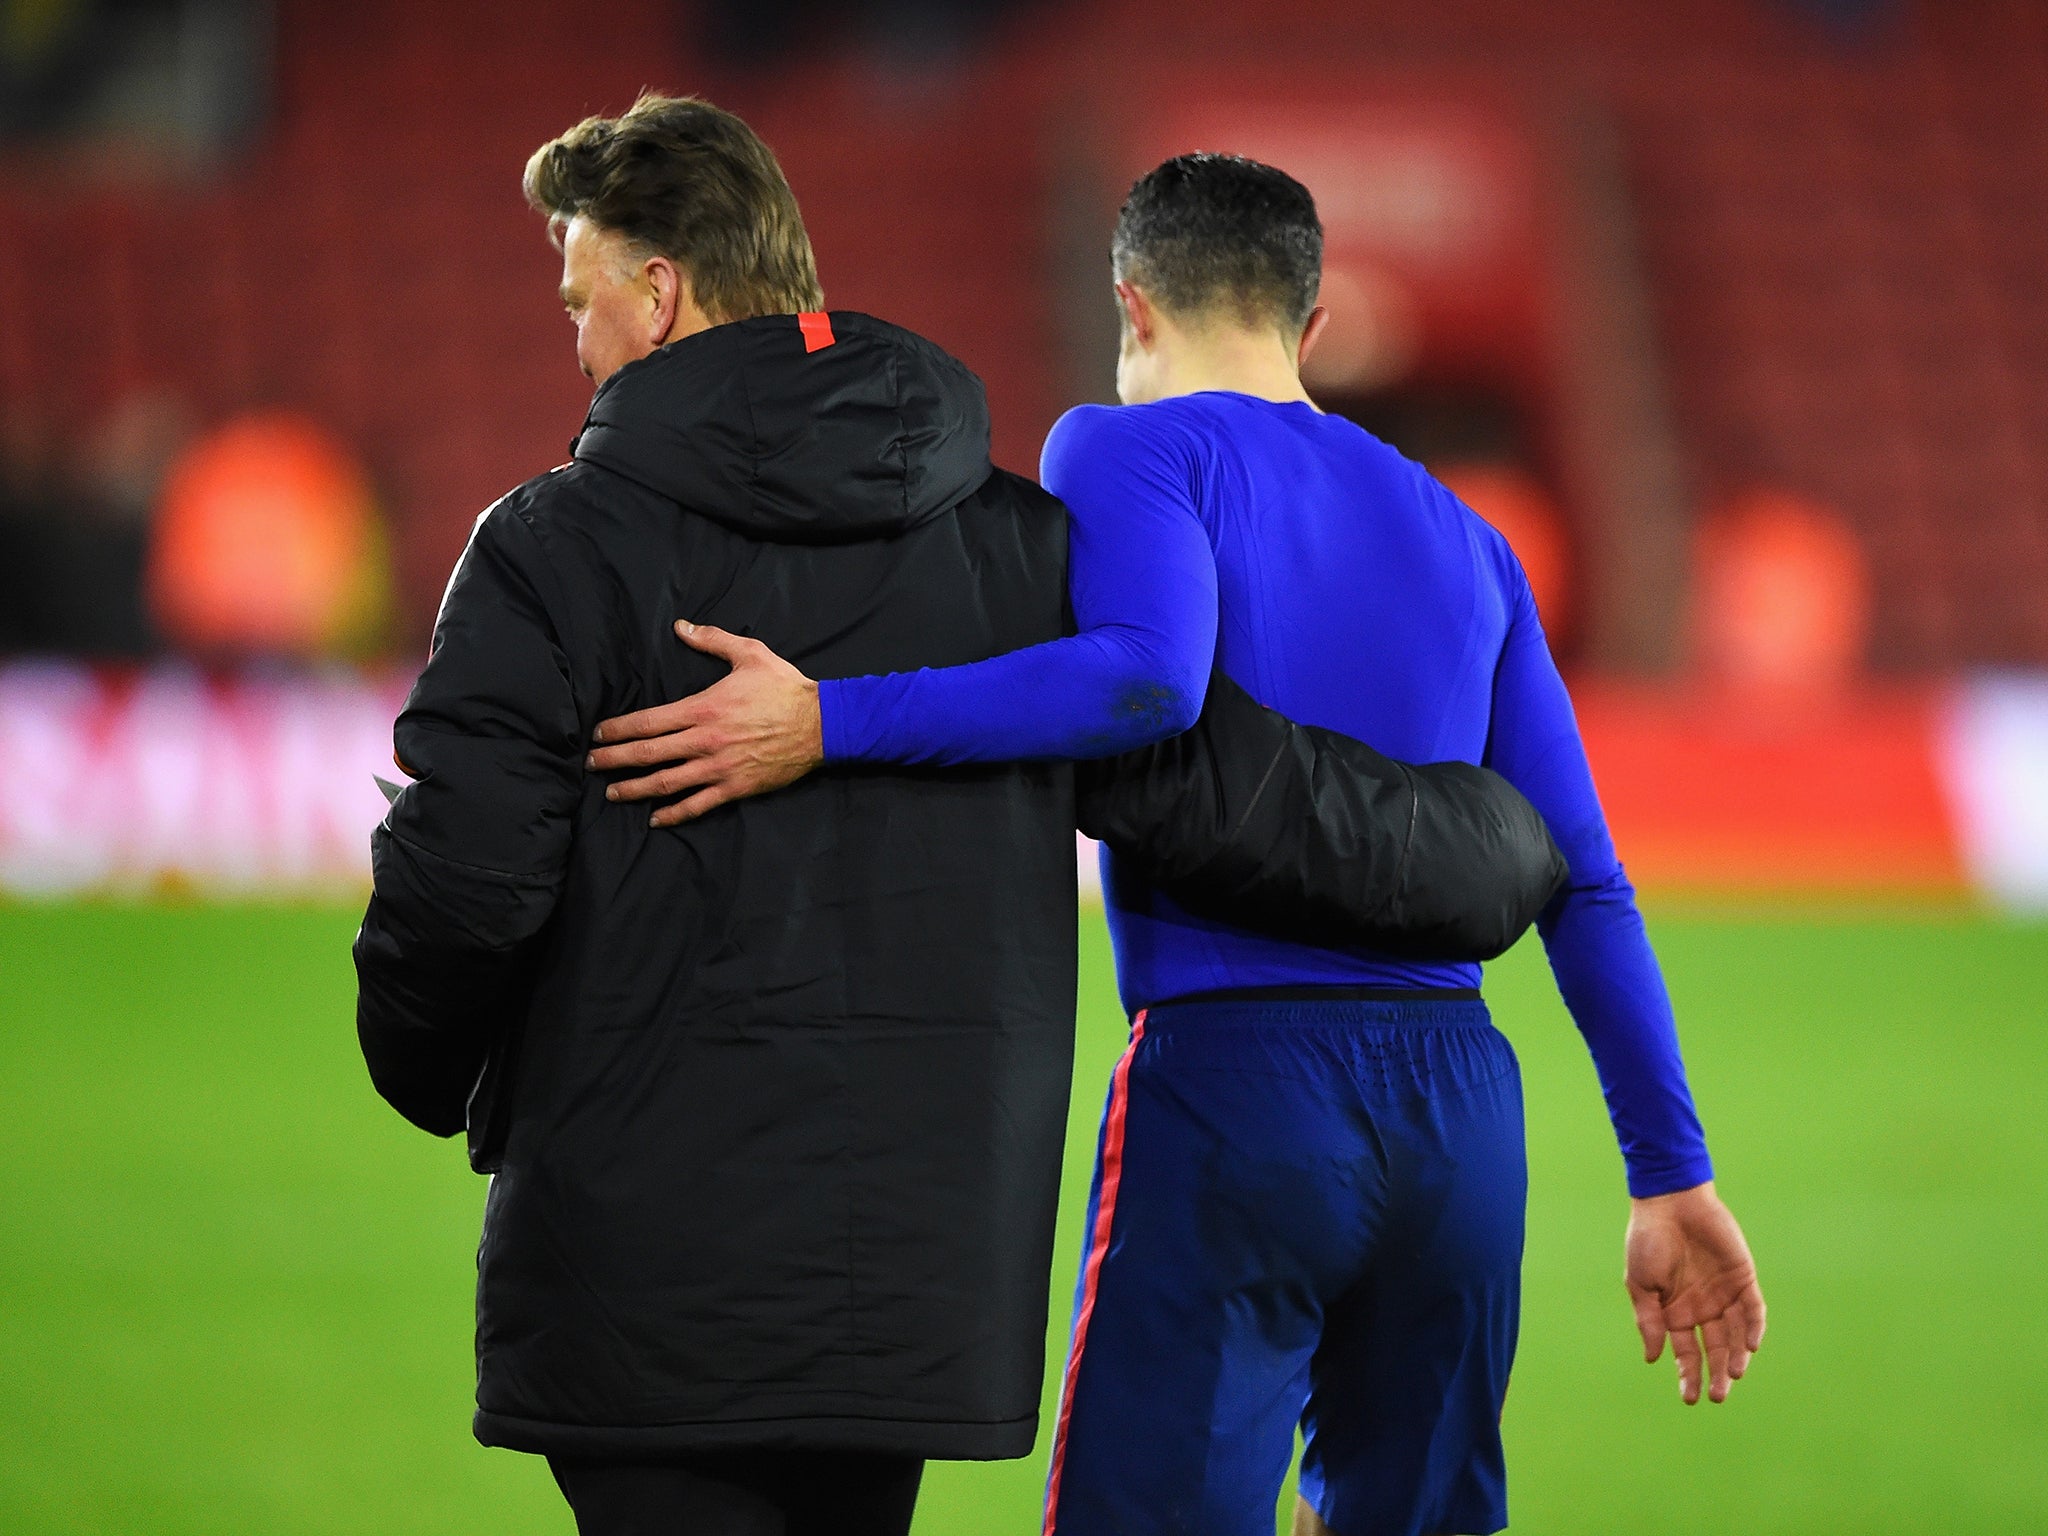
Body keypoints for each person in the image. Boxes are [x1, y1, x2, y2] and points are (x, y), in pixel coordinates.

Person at [353, 102, 1564, 1536]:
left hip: (644, 1274)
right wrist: (1502, 850)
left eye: (581, 300)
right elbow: (1245, 791)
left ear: (661, 292)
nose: (575, 338)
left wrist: (431, 1070)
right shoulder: (1011, 547)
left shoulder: (553, 546)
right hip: (916, 1277)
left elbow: (462, 883)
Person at [588, 153, 1767, 1536]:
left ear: (1132, 306)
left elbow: (1145, 678)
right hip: (1461, 1121)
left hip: (1237, 1084)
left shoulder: (1126, 443)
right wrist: (1669, 1172)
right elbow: (1589, 882)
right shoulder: (1472, 541)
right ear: (1311, 327)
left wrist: (828, 720)